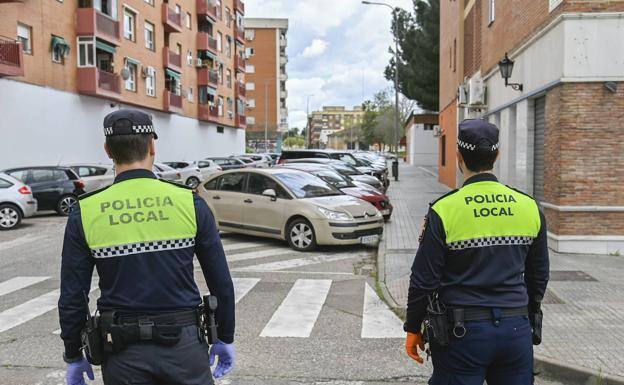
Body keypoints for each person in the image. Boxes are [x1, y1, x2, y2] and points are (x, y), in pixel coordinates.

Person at [58, 109, 236, 385]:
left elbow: (72, 295)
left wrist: (73, 353)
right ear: (152, 146)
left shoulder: (86, 211)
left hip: (120, 352)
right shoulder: (189, 203)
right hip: (184, 347)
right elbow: (221, 282)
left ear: (108, 151)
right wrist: (225, 336)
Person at [404, 119, 549, 385]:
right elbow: (539, 276)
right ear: (497, 155)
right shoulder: (529, 206)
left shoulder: (444, 209)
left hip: (462, 335)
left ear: (458, 156)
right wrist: (527, 313)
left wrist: (413, 327)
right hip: (515, 330)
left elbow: (423, 280)